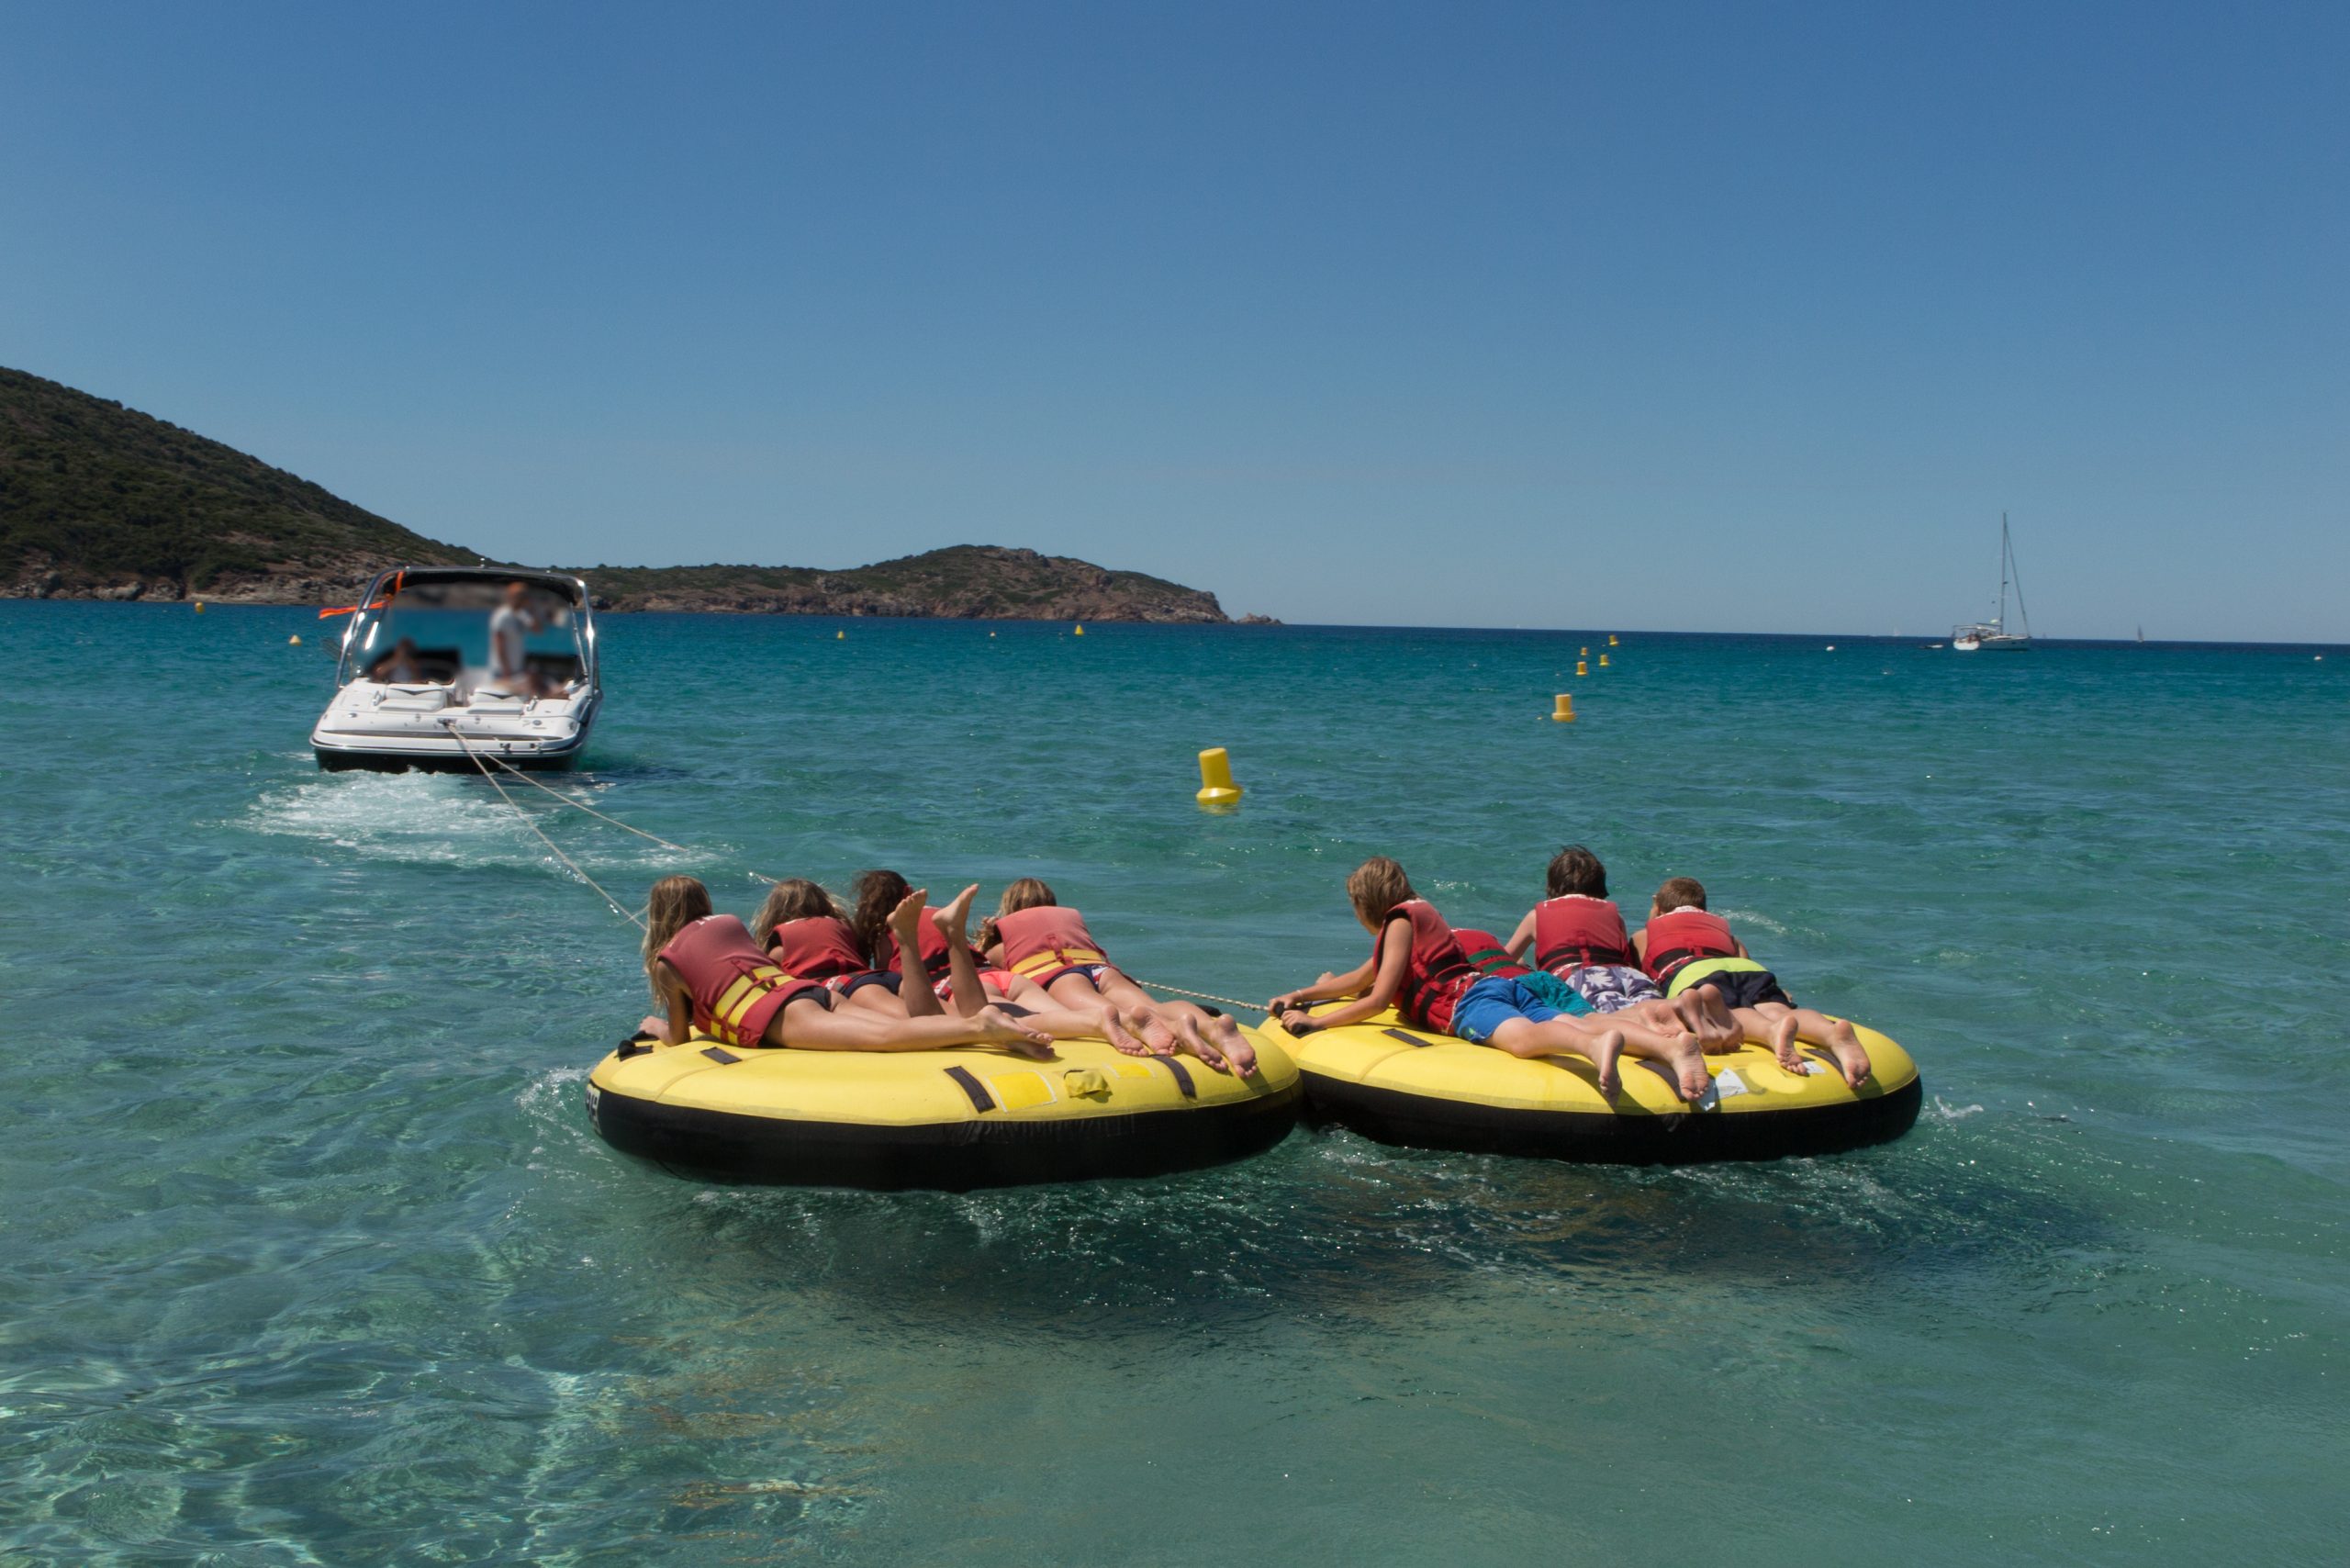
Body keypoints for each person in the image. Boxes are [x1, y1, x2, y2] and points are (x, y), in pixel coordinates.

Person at [1265, 857, 1713, 1102]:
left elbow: (1378, 997)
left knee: (1524, 1039)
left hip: (1469, 1004)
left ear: (1367, 904)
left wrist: (1316, 1024)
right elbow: (1359, 976)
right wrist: (1301, 994)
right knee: (1579, 1019)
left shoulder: (1397, 924)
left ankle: (1595, 1049)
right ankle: (1670, 1047)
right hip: (1499, 983)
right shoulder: (1421, 911)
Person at [636, 876, 1056, 1056]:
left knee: (886, 1037)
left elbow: (678, 1034)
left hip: (778, 1015)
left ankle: (981, 1027)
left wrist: (654, 1028)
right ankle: (996, 1032)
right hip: (809, 993)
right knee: (897, 1025)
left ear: (658, 915)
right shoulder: (727, 924)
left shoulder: (666, 964)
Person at [979, 879, 1260, 1075]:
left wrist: (988, 937)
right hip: (1100, 970)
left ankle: (1177, 1031)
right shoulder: (1065, 922)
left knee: (1121, 1019)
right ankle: (1211, 1029)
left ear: (1009, 908)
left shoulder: (1006, 941)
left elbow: (984, 966)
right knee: (1154, 1008)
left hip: (1060, 976)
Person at [1635, 877, 1873, 1087]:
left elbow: (1637, 973)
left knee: (1732, 1013)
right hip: (1748, 970)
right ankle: (1831, 1034)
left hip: (1695, 972)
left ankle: (1770, 1031)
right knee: (1775, 1008)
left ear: (1657, 906)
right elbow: (1742, 960)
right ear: (1704, 908)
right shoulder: (1725, 931)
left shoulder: (1647, 932)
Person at [1501, 845, 1740, 1049]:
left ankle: (1665, 1038)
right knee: (1644, 1002)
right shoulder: (1615, 915)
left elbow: (1506, 959)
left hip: (1579, 976)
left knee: (1610, 1017)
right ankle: (1679, 1006)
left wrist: (1522, 968)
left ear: (1552, 885)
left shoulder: (1538, 915)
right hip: (1627, 974)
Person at [487, 580, 548, 697]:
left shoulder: (521, 614)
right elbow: (499, 644)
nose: (523, 598)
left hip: (516, 669)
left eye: (524, 596)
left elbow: (537, 630)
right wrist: (506, 671)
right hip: (502, 671)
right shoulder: (502, 615)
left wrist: (532, 608)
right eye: (520, 596)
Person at [367, 636, 431, 683]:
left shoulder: (417, 665)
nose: (404, 653)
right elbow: (378, 674)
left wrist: (410, 664)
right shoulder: (391, 662)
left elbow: (419, 680)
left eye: (407, 650)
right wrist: (395, 661)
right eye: (402, 650)